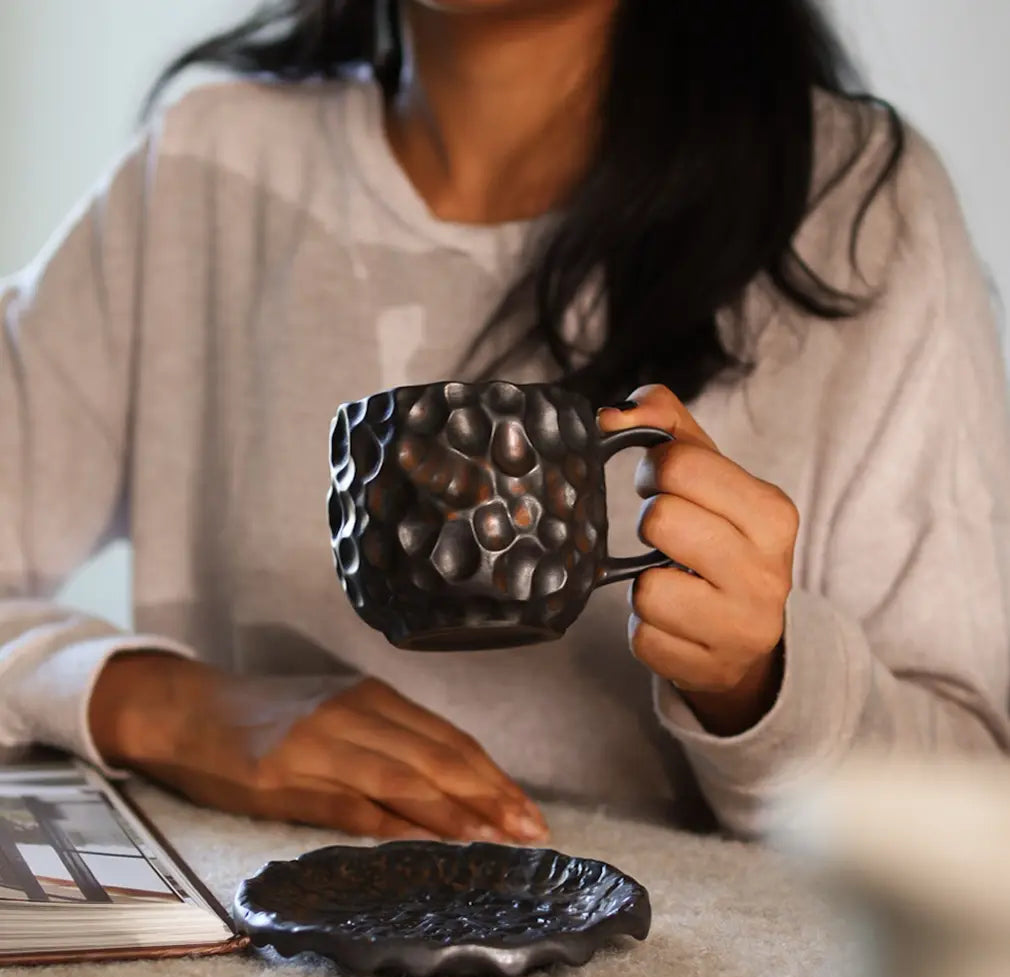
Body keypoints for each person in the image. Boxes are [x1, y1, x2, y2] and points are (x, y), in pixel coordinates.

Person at [1, 0, 1007, 843]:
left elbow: (975, 802)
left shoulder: (855, 213)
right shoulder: (202, 171)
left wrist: (762, 684)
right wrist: (166, 706)